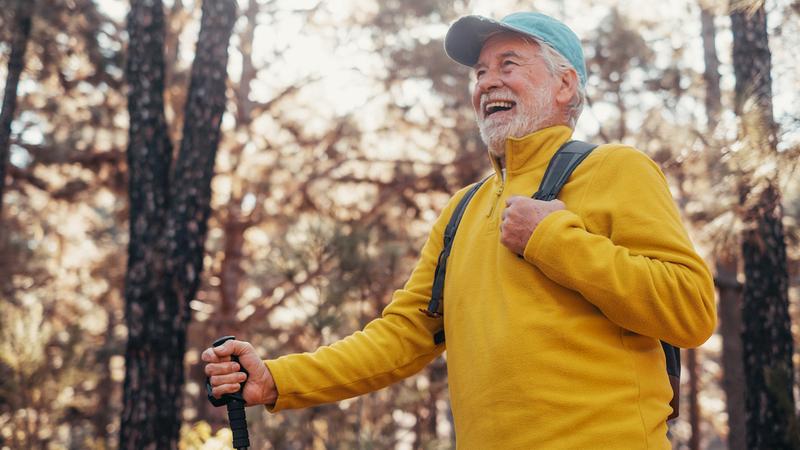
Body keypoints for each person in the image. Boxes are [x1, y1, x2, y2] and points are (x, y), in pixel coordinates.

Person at [203, 12, 716, 448]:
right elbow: (402, 335)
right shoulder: (462, 210)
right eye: (480, 72)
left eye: (508, 65)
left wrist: (554, 239)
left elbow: (690, 308)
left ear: (565, 84)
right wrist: (277, 379)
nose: (487, 82)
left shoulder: (615, 168)